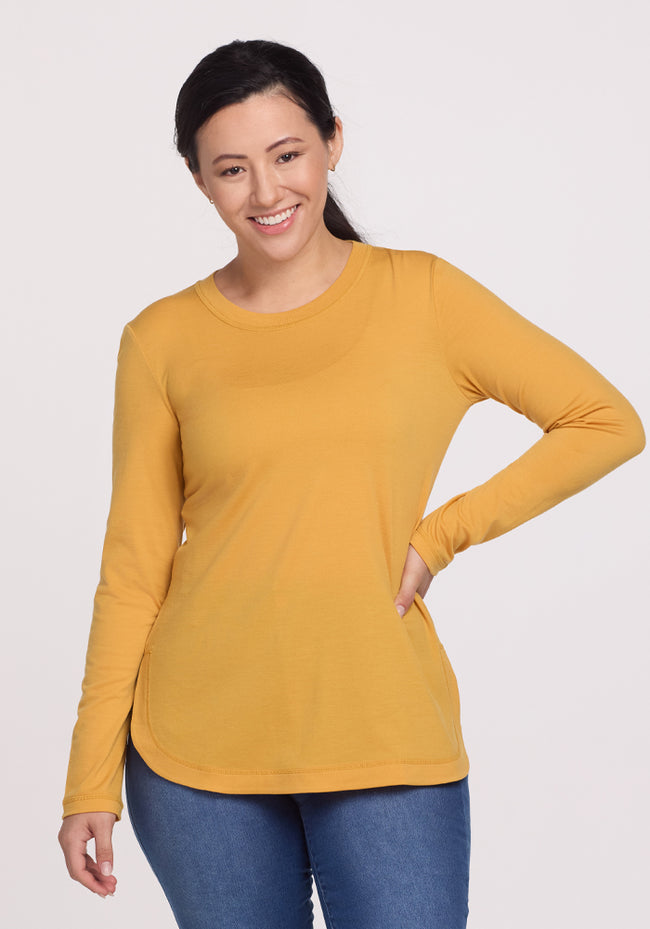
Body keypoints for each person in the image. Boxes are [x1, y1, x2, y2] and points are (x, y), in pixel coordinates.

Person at [57, 38, 645, 929]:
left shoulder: (424, 295)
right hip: (193, 754)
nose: (266, 191)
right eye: (232, 169)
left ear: (333, 141)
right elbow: (134, 569)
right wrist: (88, 780)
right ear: (199, 180)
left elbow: (605, 421)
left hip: (385, 732)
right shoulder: (161, 339)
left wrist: (440, 537)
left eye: (287, 154)